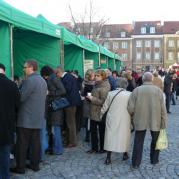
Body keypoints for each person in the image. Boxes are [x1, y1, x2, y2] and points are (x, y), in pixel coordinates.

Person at [11, 60, 47, 174]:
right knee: (36, 143)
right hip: (38, 118)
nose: (23, 69)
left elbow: (20, 98)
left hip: (26, 118)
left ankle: (20, 167)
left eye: (25, 67)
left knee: (22, 144)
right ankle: (35, 165)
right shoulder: (42, 80)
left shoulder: (29, 80)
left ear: (31, 67)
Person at [127, 72, 167, 169]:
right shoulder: (158, 91)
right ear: (152, 79)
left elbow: (130, 108)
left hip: (140, 119)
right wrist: (164, 122)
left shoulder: (137, 90)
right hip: (156, 120)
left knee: (138, 141)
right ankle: (154, 160)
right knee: (155, 140)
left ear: (143, 79)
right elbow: (163, 109)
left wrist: (133, 117)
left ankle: (136, 163)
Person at [101, 78, 131, 165]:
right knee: (124, 136)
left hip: (112, 118)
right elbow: (132, 107)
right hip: (125, 118)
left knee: (110, 137)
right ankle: (125, 154)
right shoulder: (129, 94)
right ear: (126, 85)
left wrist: (101, 115)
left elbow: (105, 107)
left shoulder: (110, 93)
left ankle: (108, 158)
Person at [0, 64, 20, 179]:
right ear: (4, 71)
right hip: (7, 126)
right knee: (5, 153)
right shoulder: (12, 85)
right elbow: (18, 105)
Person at [41, 66, 66, 155]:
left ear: (46, 74)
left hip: (56, 109)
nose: (44, 78)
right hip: (53, 109)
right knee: (54, 130)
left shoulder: (53, 79)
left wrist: (49, 93)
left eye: (44, 76)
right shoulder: (52, 78)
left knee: (56, 130)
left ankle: (58, 150)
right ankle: (53, 148)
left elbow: (63, 90)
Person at [55, 66, 81, 148]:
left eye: (56, 74)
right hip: (71, 102)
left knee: (70, 123)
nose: (56, 76)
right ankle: (70, 140)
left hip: (70, 103)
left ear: (59, 72)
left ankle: (72, 142)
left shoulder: (66, 78)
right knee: (70, 122)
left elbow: (66, 90)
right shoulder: (69, 76)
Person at [86, 69, 110, 153]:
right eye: (95, 75)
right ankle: (94, 148)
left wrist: (92, 98)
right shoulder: (96, 84)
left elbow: (104, 102)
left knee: (101, 131)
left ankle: (103, 148)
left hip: (100, 112)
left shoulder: (105, 86)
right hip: (93, 111)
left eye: (98, 75)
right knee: (93, 131)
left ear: (103, 76)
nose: (95, 77)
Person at [81, 69, 95, 142]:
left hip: (86, 102)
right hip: (92, 103)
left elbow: (82, 93)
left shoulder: (83, 83)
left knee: (87, 120)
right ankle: (90, 135)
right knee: (92, 120)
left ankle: (87, 136)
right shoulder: (95, 83)